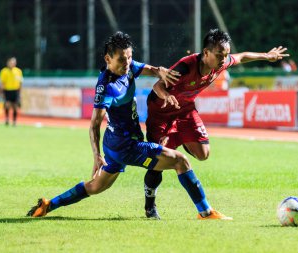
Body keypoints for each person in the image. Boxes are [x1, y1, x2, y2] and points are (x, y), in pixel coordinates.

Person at [27, 31, 232, 220]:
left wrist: (161, 71)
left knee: (94, 187)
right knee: (181, 162)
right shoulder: (106, 87)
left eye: (129, 57)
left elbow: (147, 68)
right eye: (122, 59)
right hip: (126, 146)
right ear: (108, 59)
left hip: (116, 143)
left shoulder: (128, 67)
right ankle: (205, 212)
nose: (128, 63)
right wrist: (96, 156)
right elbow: (94, 124)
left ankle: (47, 205)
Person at [143, 28, 289, 219]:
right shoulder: (186, 67)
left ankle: (179, 138)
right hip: (161, 115)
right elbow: (157, 86)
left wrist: (266, 55)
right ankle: (149, 206)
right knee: (157, 164)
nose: (224, 59)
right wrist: (167, 96)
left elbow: (242, 56)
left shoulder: (221, 63)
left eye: (226, 54)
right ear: (206, 53)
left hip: (185, 110)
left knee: (203, 154)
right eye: (220, 55)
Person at [0, 57, 23, 126]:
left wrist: (20, 92)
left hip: (15, 91)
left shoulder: (18, 71)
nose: (12, 64)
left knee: (15, 106)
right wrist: (3, 92)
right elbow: (2, 82)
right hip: (7, 90)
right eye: (11, 62)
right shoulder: (4, 71)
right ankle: (7, 119)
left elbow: (20, 82)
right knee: (7, 105)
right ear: (8, 63)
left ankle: (14, 121)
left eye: (14, 62)